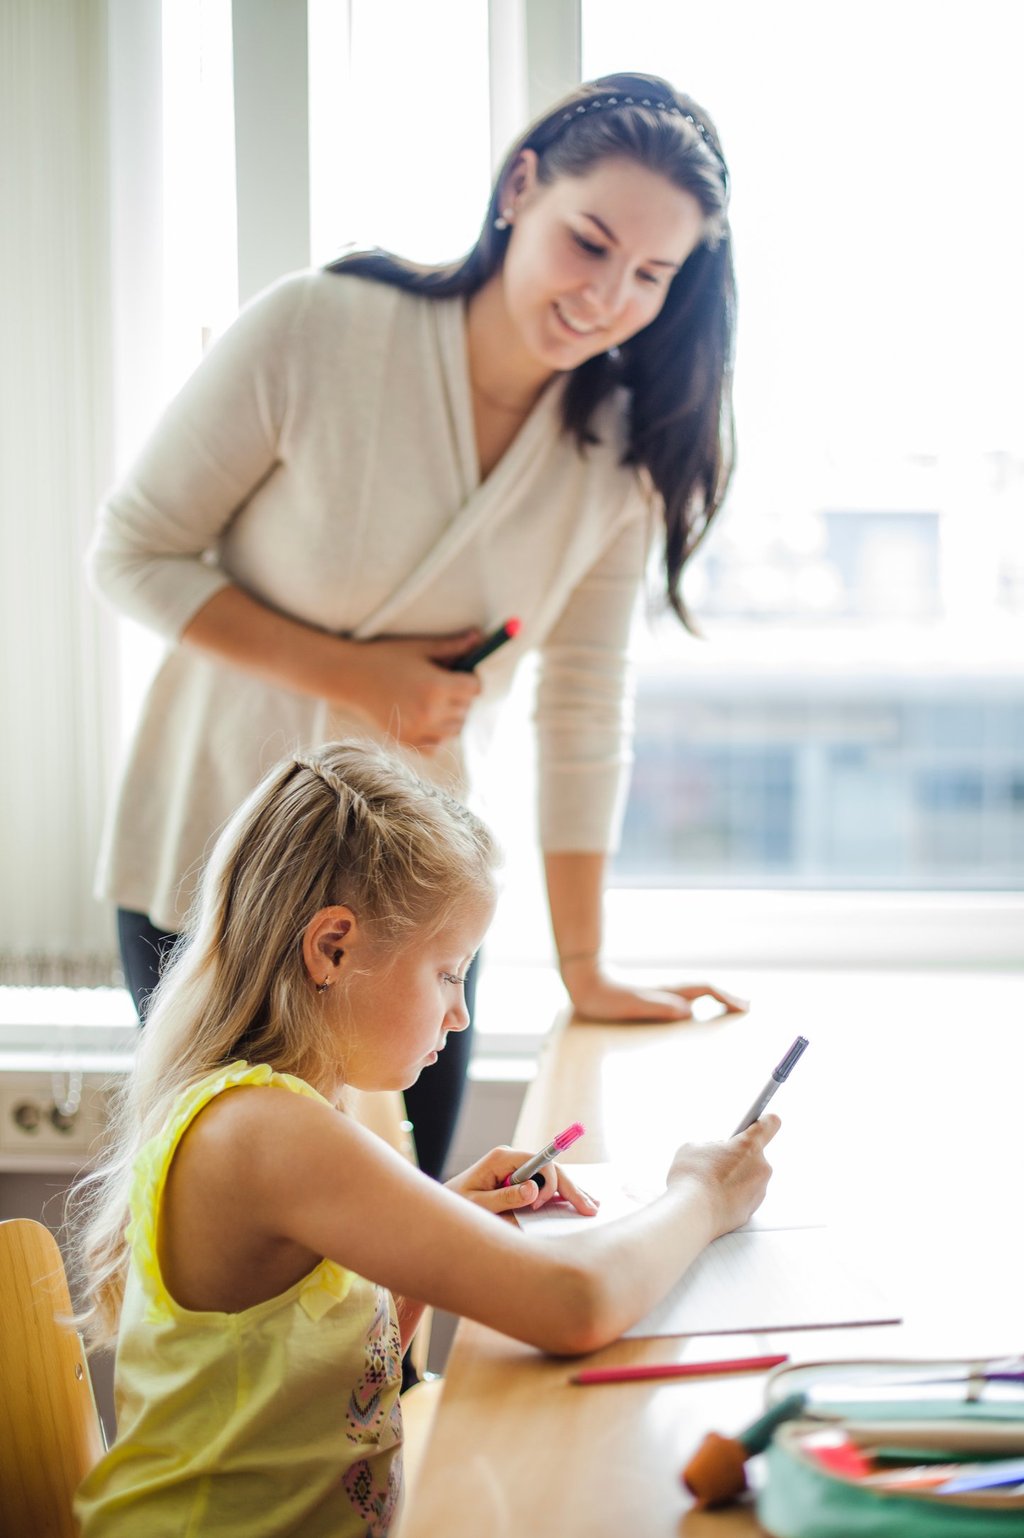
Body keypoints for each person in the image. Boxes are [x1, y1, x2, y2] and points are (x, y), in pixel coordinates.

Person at [89, 70, 746, 1184]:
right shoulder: (318, 327)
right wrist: (358, 674)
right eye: (588, 244)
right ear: (519, 187)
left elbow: (582, 706)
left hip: (415, 906)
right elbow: (132, 552)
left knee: (398, 1290)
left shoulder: (617, 455)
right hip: (212, 859)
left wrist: (583, 966)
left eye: (650, 274)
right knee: (230, 1255)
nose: (606, 298)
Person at [71, 742, 779, 1538]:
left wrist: (438, 1225)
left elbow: (322, 1375)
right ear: (332, 948)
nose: (459, 1014)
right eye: (448, 973)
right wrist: (704, 1194)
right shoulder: (265, 1131)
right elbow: (574, 1305)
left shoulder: (281, 1112)